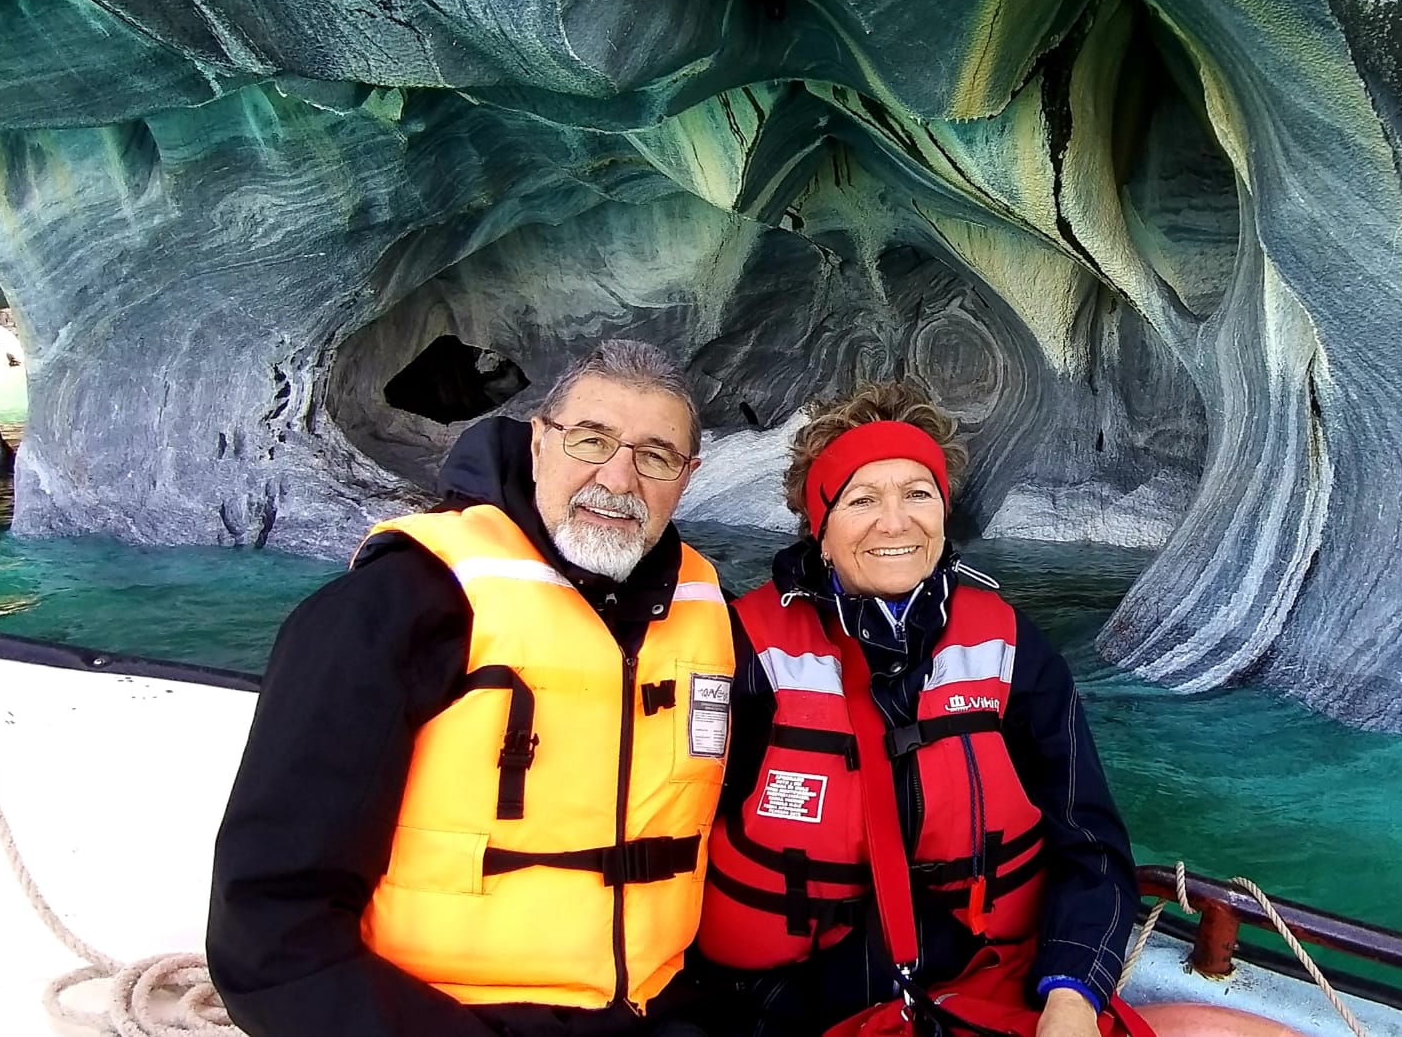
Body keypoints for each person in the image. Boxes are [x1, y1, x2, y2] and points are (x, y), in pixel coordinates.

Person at [208, 340, 733, 1037]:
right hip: (443, 1015)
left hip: (656, 1010)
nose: (617, 478)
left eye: (655, 456)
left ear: (688, 476)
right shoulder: (400, 605)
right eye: (591, 439)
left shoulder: (709, 616)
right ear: (539, 442)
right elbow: (272, 934)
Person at [693, 380, 1141, 1037]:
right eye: (862, 499)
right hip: (783, 1007)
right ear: (820, 529)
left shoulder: (1012, 650)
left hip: (978, 986)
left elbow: (1091, 844)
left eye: (917, 493)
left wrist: (1072, 998)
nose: (896, 522)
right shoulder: (744, 653)